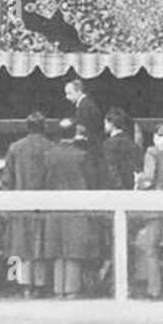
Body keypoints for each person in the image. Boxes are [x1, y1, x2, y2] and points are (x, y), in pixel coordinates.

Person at [42, 121, 104, 298]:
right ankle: (72, 289)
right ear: (74, 133)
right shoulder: (82, 156)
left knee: (57, 249)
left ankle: (58, 289)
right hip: (77, 207)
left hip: (54, 207)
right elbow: (92, 183)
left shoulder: (49, 155)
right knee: (73, 250)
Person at [0, 112, 53, 298]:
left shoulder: (15, 148)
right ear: (44, 126)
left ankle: (19, 284)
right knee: (39, 248)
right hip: (43, 206)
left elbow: (6, 179)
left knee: (18, 248)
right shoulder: (50, 148)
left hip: (20, 206)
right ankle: (39, 285)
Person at [135, 125, 163, 298]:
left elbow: (149, 177)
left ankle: (154, 289)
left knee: (152, 248)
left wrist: (138, 179)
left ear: (155, 137)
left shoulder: (151, 152)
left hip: (155, 203)